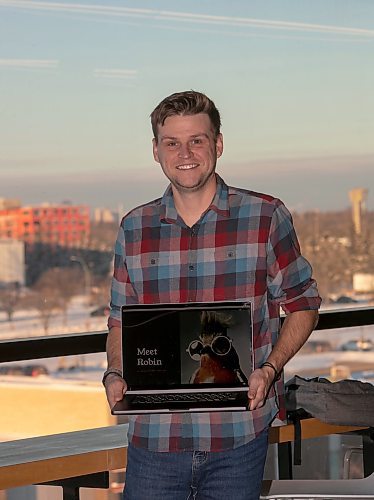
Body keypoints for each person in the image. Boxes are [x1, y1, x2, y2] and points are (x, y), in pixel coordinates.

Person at [103, 90, 321, 500]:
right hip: (155, 438)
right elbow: (120, 319)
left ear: (217, 144)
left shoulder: (265, 217)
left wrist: (270, 369)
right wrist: (115, 372)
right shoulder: (134, 228)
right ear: (156, 150)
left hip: (237, 436)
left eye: (196, 140)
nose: (184, 152)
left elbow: (303, 304)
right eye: (172, 143)